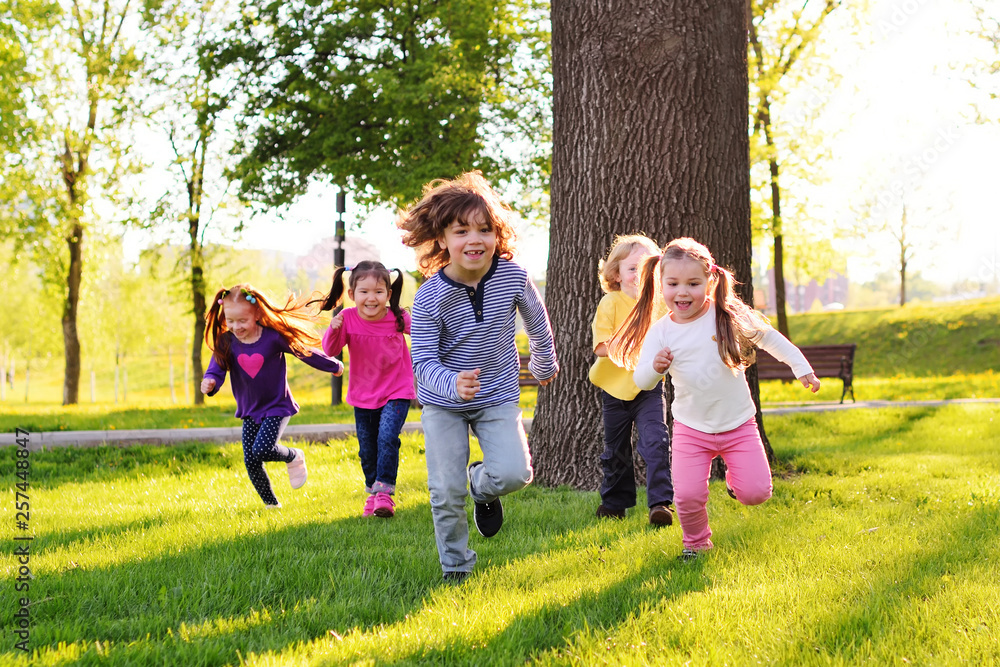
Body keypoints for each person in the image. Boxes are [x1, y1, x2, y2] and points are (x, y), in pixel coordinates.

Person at [609, 238, 820, 560]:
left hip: (738, 424)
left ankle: (737, 483)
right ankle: (695, 543)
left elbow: (769, 338)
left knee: (756, 493)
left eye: (693, 283)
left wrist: (801, 367)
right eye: (673, 283)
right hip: (691, 429)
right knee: (688, 495)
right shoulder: (661, 331)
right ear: (660, 283)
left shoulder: (726, 316)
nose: (683, 292)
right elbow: (640, 381)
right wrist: (654, 368)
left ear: (709, 281)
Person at [399, 171, 558, 582]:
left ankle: (481, 485)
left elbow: (537, 322)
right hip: (444, 403)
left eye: (485, 230)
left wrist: (543, 362)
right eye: (461, 230)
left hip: (497, 395)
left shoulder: (513, 276)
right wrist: (452, 382)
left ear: (497, 235)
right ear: (442, 239)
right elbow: (422, 361)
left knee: (514, 474)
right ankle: (456, 566)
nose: (475, 239)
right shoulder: (430, 295)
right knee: (444, 492)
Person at [201, 284, 344, 508]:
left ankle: (293, 455)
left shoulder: (273, 337)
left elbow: (303, 352)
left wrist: (333, 365)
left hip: (277, 405)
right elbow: (216, 369)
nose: (236, 327)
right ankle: (271, 505)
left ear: (257, 314)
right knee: (251, 460)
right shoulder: (226, 342)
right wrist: (210, 382)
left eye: (242, 321)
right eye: (231, 321)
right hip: (250, 409)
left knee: (263, 449)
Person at [316, 261, 416, 519]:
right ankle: (373, 492)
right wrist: (333, 328)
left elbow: (423, 333)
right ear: (352, 294)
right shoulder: (347, 318)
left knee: (386, 437)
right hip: (363, 395)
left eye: (379, 292)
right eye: (364, 292)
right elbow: (329, 350)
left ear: (389, 294)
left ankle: (384, 492)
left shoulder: (397, 317)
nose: (372, 298)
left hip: (397, 390)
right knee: (367, 448)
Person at [589, 234, 674, 526]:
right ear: (616, 274)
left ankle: (660, 504)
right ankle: (614, 503)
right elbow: (601, 346)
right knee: (616, 450)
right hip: (614, 390)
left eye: (647, 267)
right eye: (632, 268)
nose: (640, 274)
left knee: (656, 441)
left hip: (649, 387)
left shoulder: (662, 306)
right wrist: (633, 344)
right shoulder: (611, 302)